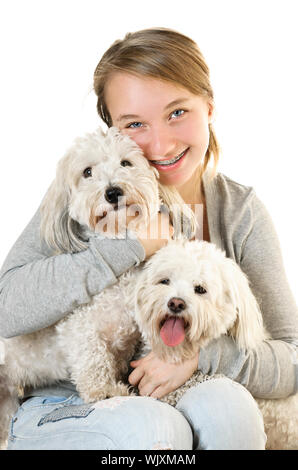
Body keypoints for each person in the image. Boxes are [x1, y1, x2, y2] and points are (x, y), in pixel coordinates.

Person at [1, 28, 297, 451]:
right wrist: (129, 247)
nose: (161, 144)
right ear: (114, 130)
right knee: (153, 432)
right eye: (135, 124)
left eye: (177, 112)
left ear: (209, 107)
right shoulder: (84, 196)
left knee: (230, 411)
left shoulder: (239, 212)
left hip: (167, 394)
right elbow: (5, 309)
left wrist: (202, 358)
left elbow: (292, 356)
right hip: (61, 400)